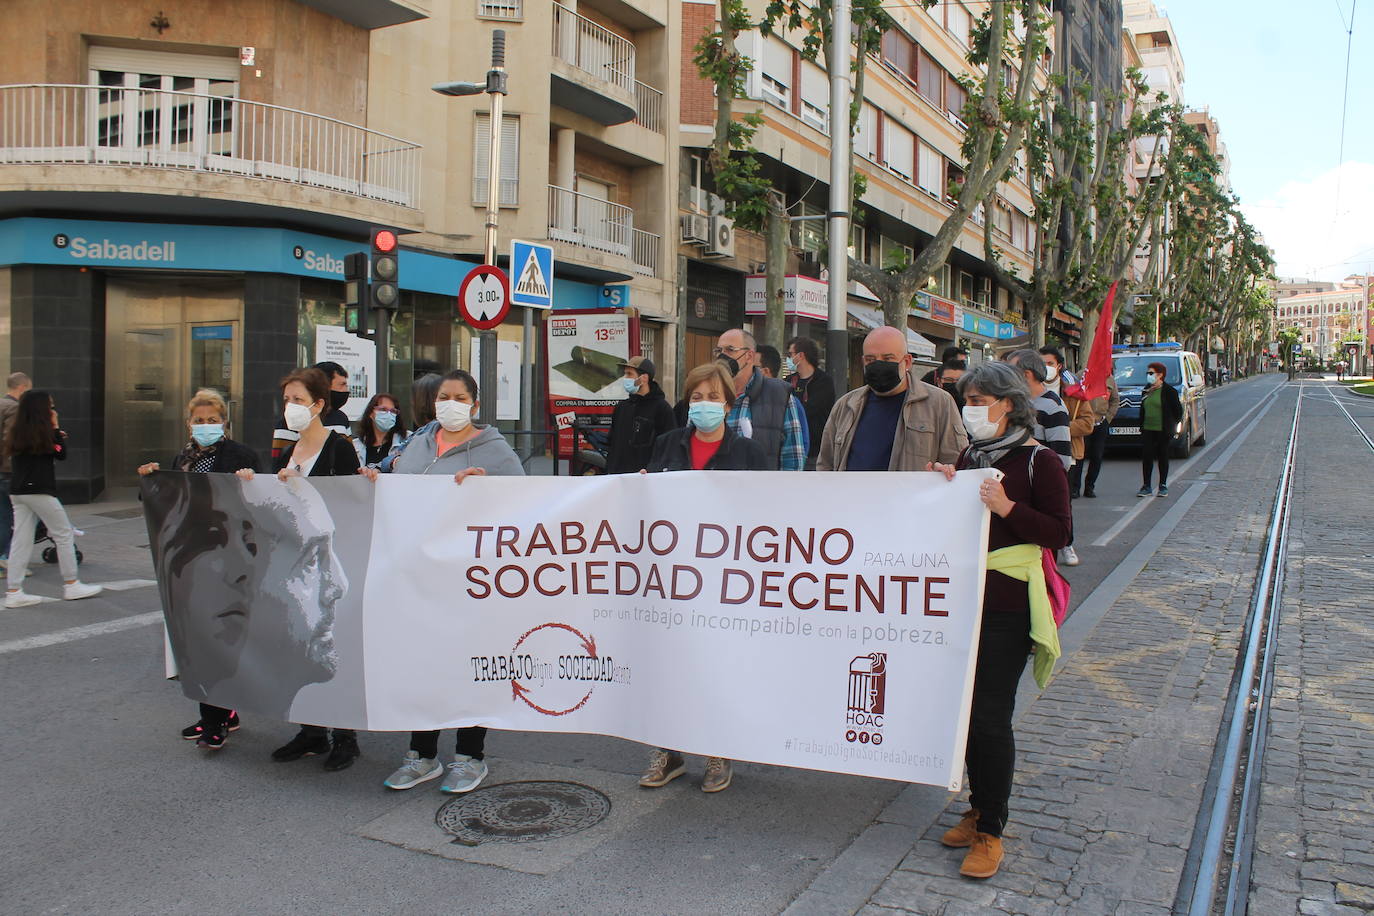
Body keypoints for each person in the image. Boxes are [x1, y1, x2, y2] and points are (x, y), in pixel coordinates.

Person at [929, 361, 1071, 879]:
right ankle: (976, 806)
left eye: (977, 401)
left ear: (1008, 405)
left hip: (1008, 609)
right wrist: (946, 483)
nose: (969, 411)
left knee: (990, 716)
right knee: (965, 714)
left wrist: (1008, 507)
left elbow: (1058, 532)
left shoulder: (1042, 463)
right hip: (962, 599)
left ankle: (992, 829)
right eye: (966, 401)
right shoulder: (972, 455)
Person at [373, 369, 525, 794]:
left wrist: (488, 489)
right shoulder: (419, 442)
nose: (449, 404)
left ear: (474, 405)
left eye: (459, 397)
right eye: (444, 396)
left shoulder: (495, 451)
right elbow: (393, 485)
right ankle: (421, 755)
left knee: (467, 666)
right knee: (422, 664)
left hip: (468, 581)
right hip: (418, 579)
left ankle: (469, 756)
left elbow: (528, 505)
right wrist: (373, 480)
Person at [639, 362, 768, 794]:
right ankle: (667, 750)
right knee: (665, 665)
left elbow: (765, 519)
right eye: (696, 397)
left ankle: (716, 749)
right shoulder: (665, 445)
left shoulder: (749, 455)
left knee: (715, 664)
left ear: (729, 405)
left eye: (713, 397)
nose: (704, 404)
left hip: (722, 581)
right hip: (670, 577)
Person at [247, 367, 362, 771]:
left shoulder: (338, 447)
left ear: (318, 404)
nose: (290, 408)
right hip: (293, 568)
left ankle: (345, 735)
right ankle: (311, 731)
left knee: (336, 647)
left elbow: (349, 503)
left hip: (331, 562)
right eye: (286, 401)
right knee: (299, 647)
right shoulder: (287, 452)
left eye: (297, 400)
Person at [138, 389, 262, 749]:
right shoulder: (183, 458)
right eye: (199, 421)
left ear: (224, 421)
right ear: (188, 423)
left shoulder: (240, 454)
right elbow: (170, 502)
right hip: (192, 559)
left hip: (228, 557)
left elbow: (261, 500)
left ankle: (216, 719)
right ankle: (218, 714)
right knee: (198, 638)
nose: (205, 426)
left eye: (212, 420)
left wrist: (250, 479)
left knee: (219, 636)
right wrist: (151, 480)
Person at [816, 326, 968, 472]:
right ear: (863, 362)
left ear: (907, 362)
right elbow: (825, 465)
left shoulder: (940, 403)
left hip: (909, 497)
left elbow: (958, 463)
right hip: (853, 497)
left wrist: (944, 471)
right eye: (871, 359)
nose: (878, 364)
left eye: (888, 358)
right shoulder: (845, 406)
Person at [3, 390, 103, 607]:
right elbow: (60, 453)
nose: (53, 410)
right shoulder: (43, 432)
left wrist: (56, 436)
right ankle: (71, 583)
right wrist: (56, 429)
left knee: (21, 539)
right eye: (50, 406)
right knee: (63, 533)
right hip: (39, 490)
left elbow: (54, 449)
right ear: (41, 409)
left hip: (18, 491)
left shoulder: (19, 431)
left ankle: (14, 591)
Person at [714, 329, 806, 471]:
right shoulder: (708, 394)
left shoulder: (779, 396)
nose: (722, 356)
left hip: (761, 490)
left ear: (749, 356)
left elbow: (793, 459)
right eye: (718, 350)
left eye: (730, 350)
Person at [606, 356, 677, 475]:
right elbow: (612, 443)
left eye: (629, 374)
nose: (626, 379)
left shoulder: (662, 408)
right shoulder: (622, 407)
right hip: (618, 478)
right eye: (625, 374)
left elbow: (669, 445)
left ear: (644, 378)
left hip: (646, 478)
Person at [1004, 350, 1071, 471]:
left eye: (1011, 373)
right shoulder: (1012, 402)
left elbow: (1062, 460)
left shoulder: (1054, 407)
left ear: (1026, 374)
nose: (1007, 378)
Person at [272, 360, 351, 460]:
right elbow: (278, 465)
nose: (346, 390)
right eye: (342, 385)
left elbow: (349, 469)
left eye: (297, 399)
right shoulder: (289, 421)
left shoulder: (341, 419)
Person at [787, 337, 836, 469]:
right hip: (791, 445)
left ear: (801, 355)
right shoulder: (789, 381)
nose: (788, 359)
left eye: (790, 354)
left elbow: (810, 409)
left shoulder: (823, 381)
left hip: (815, 450)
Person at [0, 371, 32, 567]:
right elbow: (11, 442)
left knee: (2, 516)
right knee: (20, 518)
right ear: (22, 388)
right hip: (9, 471)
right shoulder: (15, 408)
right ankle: (8, 557)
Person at [1138, 361, 1182, 498]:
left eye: (1151, 373)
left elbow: (1178, 411)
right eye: (1147, 373)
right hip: (1148, 429)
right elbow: (1143, 408)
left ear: (1160, 375)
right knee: (1147, 457)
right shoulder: (1146, 390)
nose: (1148, 376)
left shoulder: (1169, 391)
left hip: (1163, 430)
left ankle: (1162, 485)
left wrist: (1172, 425)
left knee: (1163, 456)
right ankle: (1146, 486)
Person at [1079, 372, 1119, 499]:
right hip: (1084, 422)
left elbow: (1115, 400)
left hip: (1100, 422)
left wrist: (1108, 418)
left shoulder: (1110, 380)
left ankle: (1089, 487)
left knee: (1097, 456)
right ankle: (1075, 487)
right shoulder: (1081, 375)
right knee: (1080, 455)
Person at [355, 393, 407, 468]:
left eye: (393, 411)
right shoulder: (357, 445)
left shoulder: (407, 440)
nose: (388, 414)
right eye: (383, 409)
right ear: (371, 413)